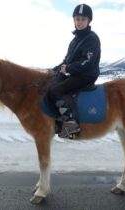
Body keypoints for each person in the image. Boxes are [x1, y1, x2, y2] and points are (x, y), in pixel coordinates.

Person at [45, 3, 101, 138]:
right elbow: (66, 60)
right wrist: (55, 70)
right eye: (77, 19)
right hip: (74, 73)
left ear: (88, 21)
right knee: (49, 85)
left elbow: (87, 61)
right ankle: (57, 120)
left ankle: (71, 122)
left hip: (85, 75)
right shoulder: (74, 40)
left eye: (83, 19)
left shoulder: (92, 39)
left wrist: (69, 68)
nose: (79, 22)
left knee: (56, 90)